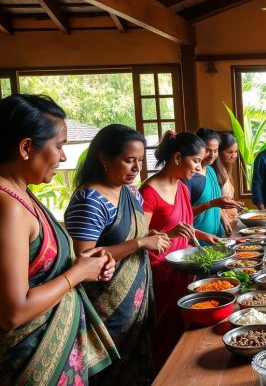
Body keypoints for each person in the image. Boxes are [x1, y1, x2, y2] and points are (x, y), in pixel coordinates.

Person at [0, 94, 117, 384]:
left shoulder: (22, 194)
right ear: (26, 147)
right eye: (59, 146)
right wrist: (76, 274)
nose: (64, 156)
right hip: (29, 361)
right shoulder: (8, 208)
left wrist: (84, 265)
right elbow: (13, 312)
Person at [64, 124, 170, 385]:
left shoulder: (131, 192)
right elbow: (85, 258)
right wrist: (141, 242)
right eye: (129, 161)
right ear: (103, 158)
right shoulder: (90, 199)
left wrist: (150, 237)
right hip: (107, 306)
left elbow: (133, 235)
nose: (137, 169)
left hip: (137, 299)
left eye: (140, 161)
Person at [139, 130, 218, 371]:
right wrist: (171, 235)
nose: (198, 167)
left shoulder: (182, 188)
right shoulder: (149, 191)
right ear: (177, 158)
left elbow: (184, 224)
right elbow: (140, 239)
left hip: (183, 266)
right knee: (164, 328)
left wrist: (204, 235)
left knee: (182, 326)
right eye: (195, 160)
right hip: (159, 272)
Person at [182, 128, 242, 239]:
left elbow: (217, 202)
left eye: (216, 150)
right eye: (208, 150)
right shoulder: (188, 177)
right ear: (198, 148)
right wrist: (211, 204)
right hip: (198, 239)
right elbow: (183, 214)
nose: (212, 155)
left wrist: (223, 218)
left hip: (217, 236)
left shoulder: (211, 171)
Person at [217, 133, 240, 231]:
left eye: (236, 151)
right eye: (230, 152)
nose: (234, 155)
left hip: (232, 221)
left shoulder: (227, 169)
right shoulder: (215, 173)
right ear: (219, 152)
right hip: (223, 225)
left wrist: (235, 204)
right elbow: (215, 203)